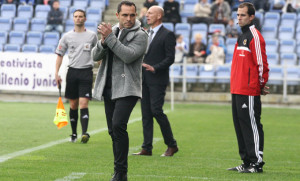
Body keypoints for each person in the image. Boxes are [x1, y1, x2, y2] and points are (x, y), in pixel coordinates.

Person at [92, 1, 148, 180]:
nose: (129, 19)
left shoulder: (141, 35)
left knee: (118, 125)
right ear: (117, 15)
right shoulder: (111, 31)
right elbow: (95, 56)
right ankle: (119, 172)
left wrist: (109, 38)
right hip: (109, 86)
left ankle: (121, 172)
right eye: (125, 15)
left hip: (128, 87)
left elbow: (128, 56)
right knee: (113, 131)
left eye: (132, 15)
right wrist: (102, 41)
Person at [228, 2, 269, 173]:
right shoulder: (241, 36)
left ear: (251, 17)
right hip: (237, 89)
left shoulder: (255, 36)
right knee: (240, 125)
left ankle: (256, 162)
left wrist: (260, 85)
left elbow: (262, 64)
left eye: (242, 15)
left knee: (251, 124)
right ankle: (246, 161)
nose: (239, 18)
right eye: (237, 15)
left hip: (248, 90)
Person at [133, 6, 178, 157]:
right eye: (147, 13)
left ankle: (172, 145)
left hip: (157, 79)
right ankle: (147, 148)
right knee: (146, 113)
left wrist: (155, 68)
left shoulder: (168, 34)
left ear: (159, 15)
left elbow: (170, 58)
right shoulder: (145, 33)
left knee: (156, 111)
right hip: (144, 79)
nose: (147, 15)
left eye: (150, 13)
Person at [55, 9, 98, 144]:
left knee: (83, 102)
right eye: (76, 16)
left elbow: (99, 54)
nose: (78, 18)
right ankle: (74, 134)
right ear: (73, 19)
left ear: (85, 19)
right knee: (73, 104)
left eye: (81, 16)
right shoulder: (67, 36)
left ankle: (84, 133)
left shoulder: (92, 36)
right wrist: (56, 73)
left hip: (86, 72)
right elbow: (60, 55)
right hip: (72, 72)